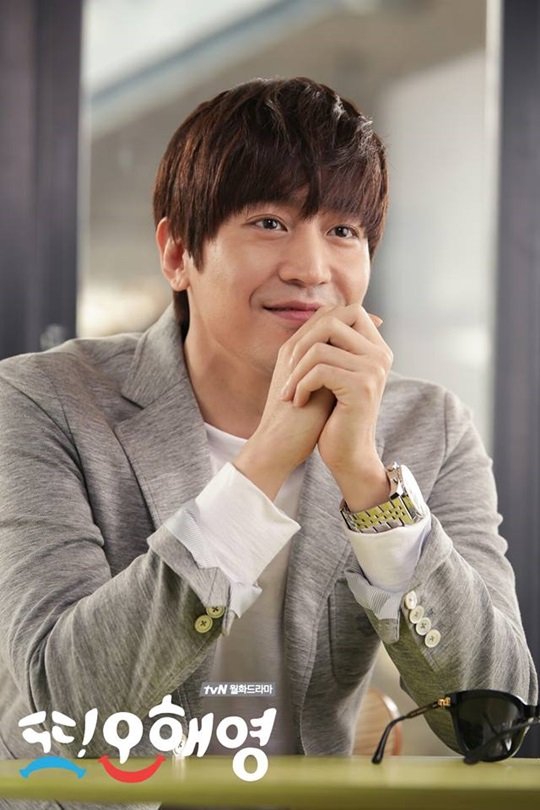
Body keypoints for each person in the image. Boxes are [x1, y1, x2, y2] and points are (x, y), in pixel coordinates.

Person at [0, 77, 536, 810]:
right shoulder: (43, 400)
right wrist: (265, 461)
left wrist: (368, 485)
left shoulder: (428, 426)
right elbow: (68, 711)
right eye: (269, 222)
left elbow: (494, 719)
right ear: (177, 252)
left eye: (343, 232)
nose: (311, 269)